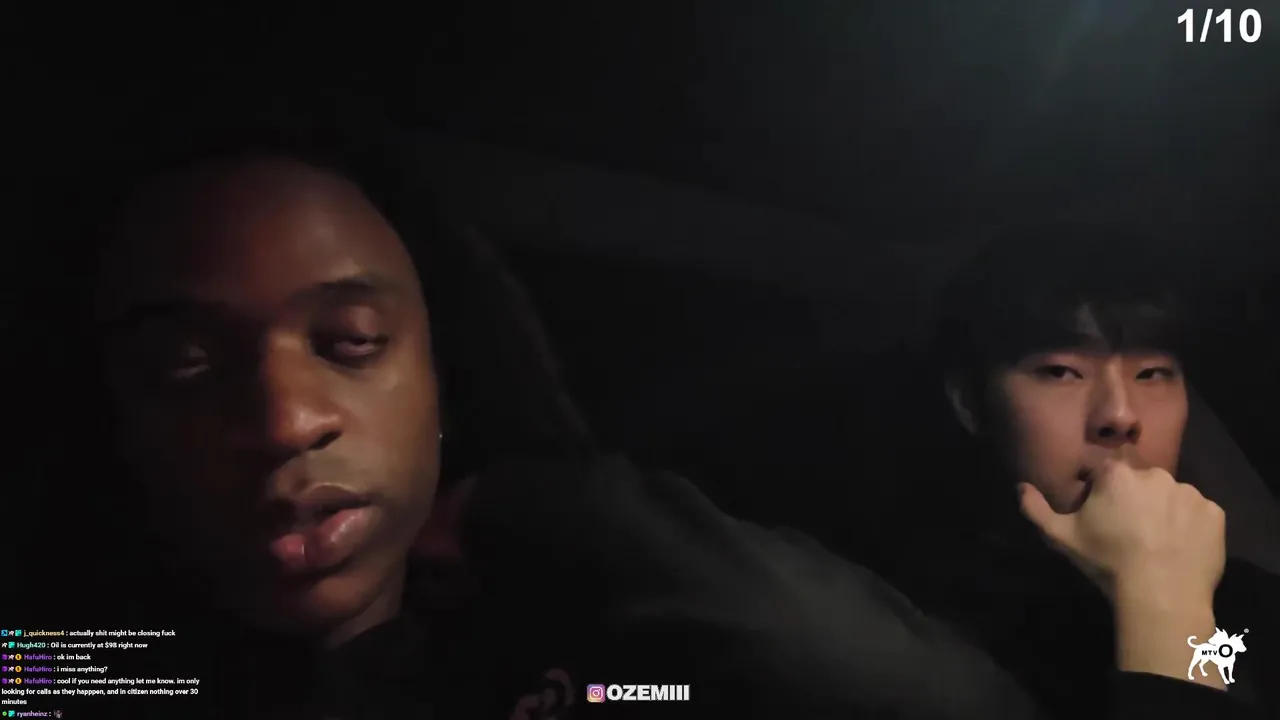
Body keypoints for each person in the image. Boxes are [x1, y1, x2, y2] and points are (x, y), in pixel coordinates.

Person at [16, 110, 1057, 720]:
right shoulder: (73, 670)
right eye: (189, 366)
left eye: (351, 343)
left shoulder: (588, 652)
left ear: (443, 376)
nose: (286, 420)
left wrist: (574, 509)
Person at [879, 222, 1279, 718]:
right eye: (1061, 372)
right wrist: (1163, 606)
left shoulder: (1255, 605)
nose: (1120, 415)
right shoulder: (910, 630)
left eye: (1152, 373)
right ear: (970, 404)